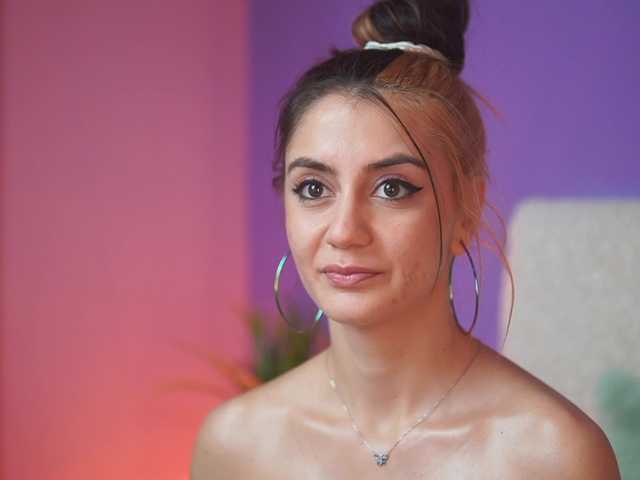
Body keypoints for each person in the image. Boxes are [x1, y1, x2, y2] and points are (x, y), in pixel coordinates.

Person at [191, 1, 620, 478]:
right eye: (313, 188)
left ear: (467, 208)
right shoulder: (234, 445)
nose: (344, 231)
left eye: (392, 188)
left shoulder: (555, 455)